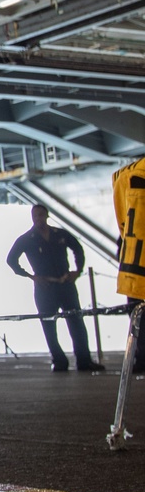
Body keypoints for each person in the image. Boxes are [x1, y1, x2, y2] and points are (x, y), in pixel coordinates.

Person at [6, 205, 103, 372]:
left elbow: (78, 249)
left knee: (76, 322)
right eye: (35, 215)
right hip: (45, 287)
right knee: (49, 326)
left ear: (47, 215)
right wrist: (31, 276)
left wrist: (77, 271)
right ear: (32, 217)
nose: (38, 218)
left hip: (65, 283)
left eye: (41, 215)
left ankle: (84, 360)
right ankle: (59, 360)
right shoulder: (27, 239)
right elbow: (11, 260)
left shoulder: (60, 234)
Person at [112, 156, 145, 371]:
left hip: (133, 268)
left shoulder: (123, 175)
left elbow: (123, 230)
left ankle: (140, 359)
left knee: (139, 322)